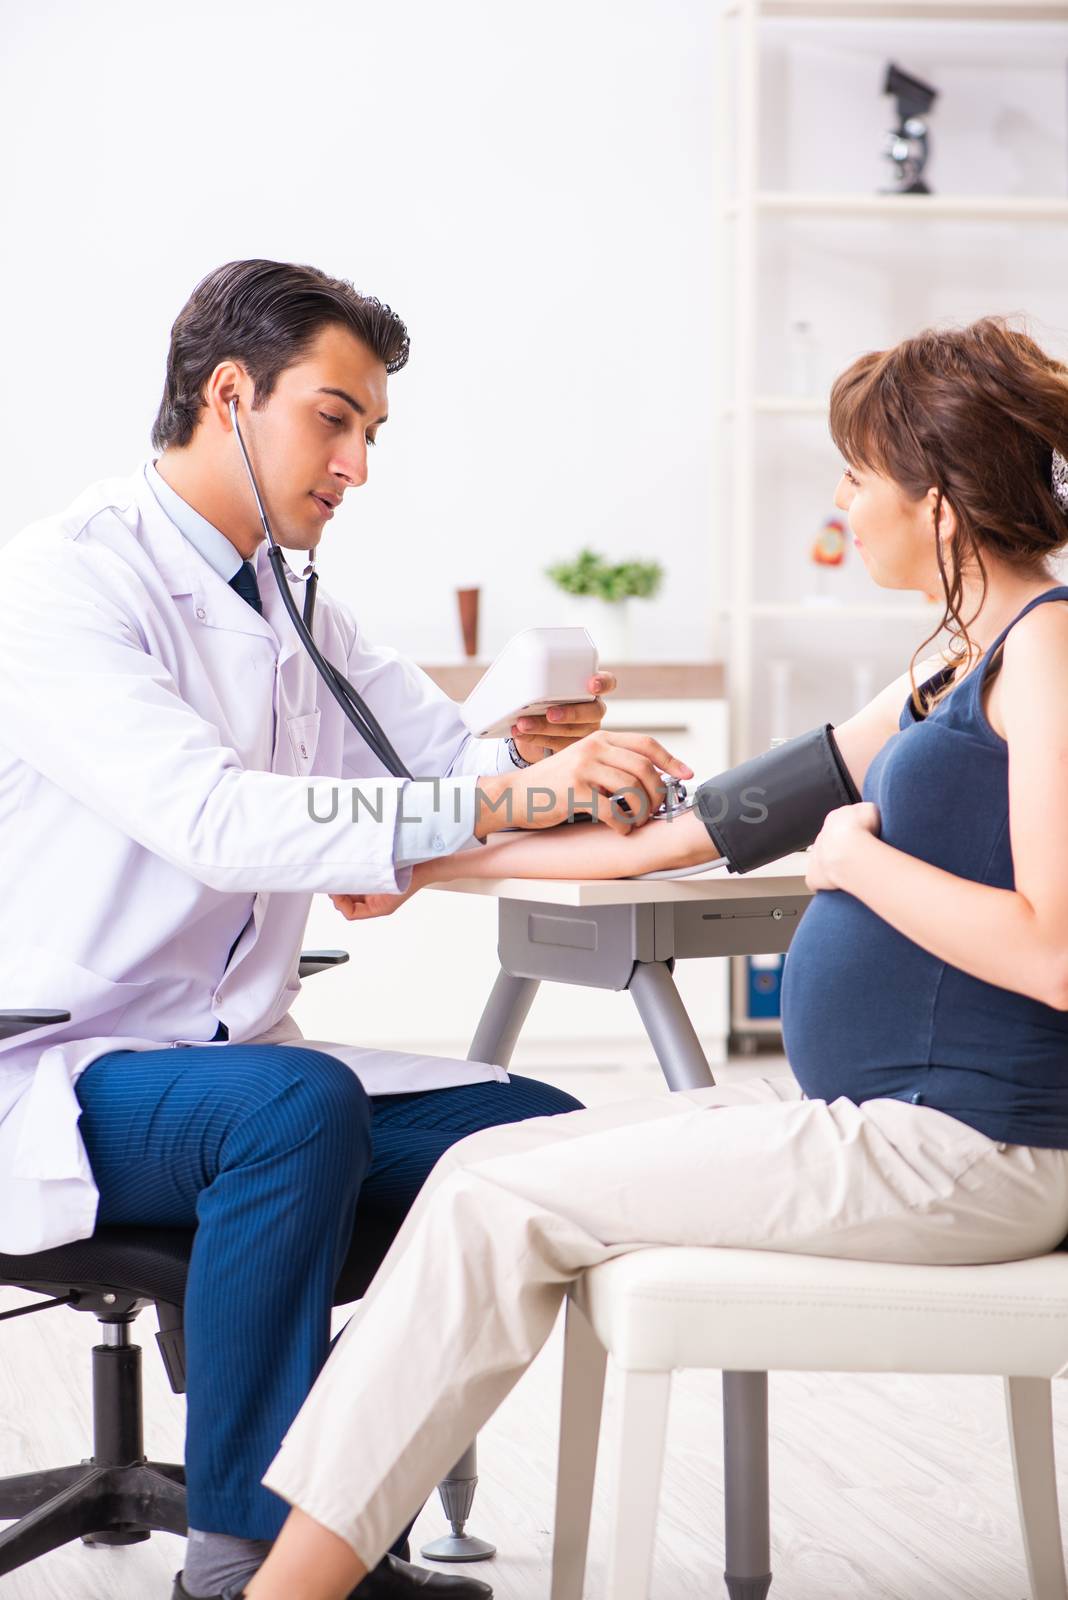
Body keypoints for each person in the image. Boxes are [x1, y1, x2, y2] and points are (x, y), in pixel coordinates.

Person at [231, 316, 1068, 1600]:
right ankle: (304, 1566)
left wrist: (857, 866)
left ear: (943, 503)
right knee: (483, 1168)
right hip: (889, 1124)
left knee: (490, 1199)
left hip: (968, 1150)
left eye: (858, 472)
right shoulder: (949, 670)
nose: (841, 499)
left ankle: (288, 1587)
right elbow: (693, 829)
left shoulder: (1052, 655)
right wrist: (414, 864)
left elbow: (1057, 953)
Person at [0, 258, 694, 1600]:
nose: (358, 464)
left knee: (532, 1133)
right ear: (228, 394)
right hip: (58, 1066)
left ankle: (337, 1493)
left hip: (223, 1060)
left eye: (372, 431)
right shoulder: (63, 585)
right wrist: (498, 790)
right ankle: (254, 1552)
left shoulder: (291, 598)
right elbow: (212, 818)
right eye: (335, 418)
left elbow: (429, 761)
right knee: (292, 1108)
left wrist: (529, 747)